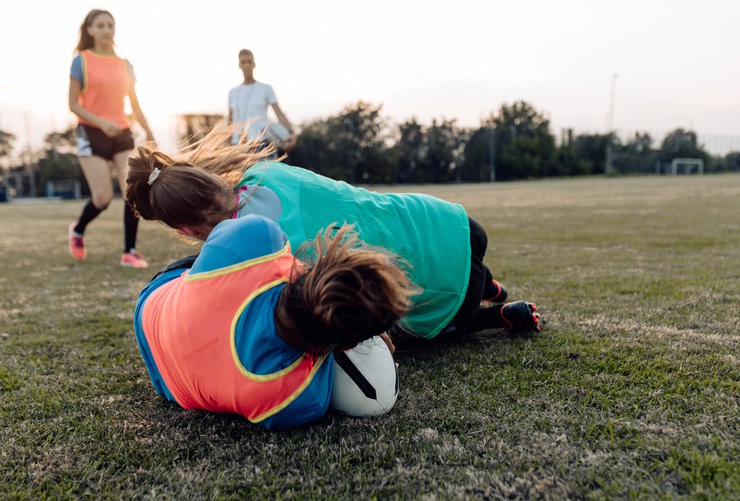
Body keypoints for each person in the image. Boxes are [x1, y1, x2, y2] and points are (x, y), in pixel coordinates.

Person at [124, 126, 542, 346]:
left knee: (381, 317)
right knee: (448, 257)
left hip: (447, 297)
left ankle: (493, 310)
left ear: (187, 230)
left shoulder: (252, 246)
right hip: (452, 223)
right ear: (208, 174)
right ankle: (489, 284)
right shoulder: (267, 171)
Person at [134, 214, 412, 429]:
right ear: (349, 343)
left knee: (217, 260)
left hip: (151, 307)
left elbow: (220, 237)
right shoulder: (299, 400)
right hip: (166, 382)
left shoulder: (256, 234)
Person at [67, 9, 154, 268]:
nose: (107, 30)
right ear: (90, 30)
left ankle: (130, 251)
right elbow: (73, 104)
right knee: (103, 198)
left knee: (133, 192)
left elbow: (135, 105)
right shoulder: (81, 61)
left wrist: (149, 132)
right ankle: (78, 230)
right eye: (101, 25)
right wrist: (101, 122)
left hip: (121, 133)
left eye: (110, 25)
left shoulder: (124, 64)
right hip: (90, 133)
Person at [228, 49, 297, 154]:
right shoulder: (233, 93)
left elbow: (279, 113)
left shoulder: (266, 89)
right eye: (243, 62)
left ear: (254, 64)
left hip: (262, 144)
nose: (247, 65)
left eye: (249, 62)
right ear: (239, 65)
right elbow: (230, 121)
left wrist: (292, 132)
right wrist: (226, 145)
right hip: (238, 146)